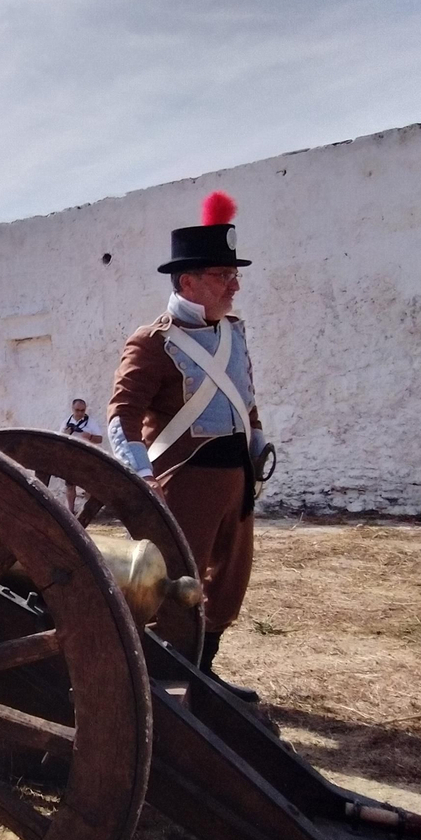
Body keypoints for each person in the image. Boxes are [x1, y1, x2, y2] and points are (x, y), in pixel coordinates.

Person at [107, 191, 269, 703]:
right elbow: (122, 414)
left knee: (227, 584)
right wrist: (139, 475)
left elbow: (245, 398)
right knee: (174, 586)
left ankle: (201, 677)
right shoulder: (153, 341)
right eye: (223, 275)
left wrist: (258, 441)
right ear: (188, 281)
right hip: (184, 479)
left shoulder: (233, 333)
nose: (234, 284)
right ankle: (156, 682)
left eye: (233, 274)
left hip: (236, 477)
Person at [60, 397, 104, 514]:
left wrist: (89, 436)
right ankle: (70, 511)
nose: (80, 413)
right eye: (77, 410)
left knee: (88, 485)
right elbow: (60, 438)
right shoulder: (66, 422)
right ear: (72, 409)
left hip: (86, 457)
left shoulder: (91, 423)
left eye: (82, 410)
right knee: (70, 485)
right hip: (71, 457)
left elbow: (100, 439)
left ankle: (88, 511)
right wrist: (65, 433)